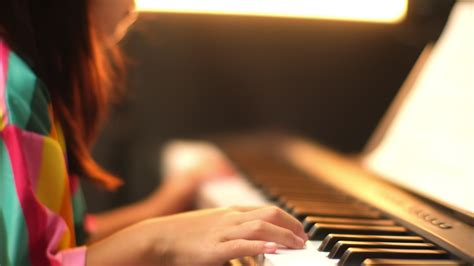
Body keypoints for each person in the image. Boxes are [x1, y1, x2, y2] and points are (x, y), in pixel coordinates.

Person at [0, 0, 307, 265]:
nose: (134, 5)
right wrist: (160, 241)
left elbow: (67, 242)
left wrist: (162, 208)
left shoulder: (19, 77)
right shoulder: (13, 90)